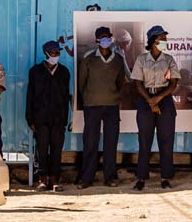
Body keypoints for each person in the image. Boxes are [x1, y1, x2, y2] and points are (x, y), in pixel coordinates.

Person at [130, 25, 180, 191]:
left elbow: (173, 83)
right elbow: (137, 83)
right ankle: (141, 178)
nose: (165, 41)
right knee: (144, 141)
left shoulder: (169, 59)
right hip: (145, 100)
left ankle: (165, 177)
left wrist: (157, 99)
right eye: (162, 38)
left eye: (165, 38)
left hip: (164, 99)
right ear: (153, 41)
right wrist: (150, 101)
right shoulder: (142, 59)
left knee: (166, 141)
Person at [77, 26, 127, 189]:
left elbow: (121, 82)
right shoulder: (89, 58)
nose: (105, 41)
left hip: (112, 106)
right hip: (92, 106)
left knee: (111, 143)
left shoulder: (118, 59)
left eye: (108, 37)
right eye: (102, 38)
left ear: (111, 39)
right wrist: (88, 99)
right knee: (90, 142)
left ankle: (110, 177)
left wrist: (115, 97)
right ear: (97, 40)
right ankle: (87, 178)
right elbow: (82, 83)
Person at [26, 41, 71, 192]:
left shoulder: (64, 72)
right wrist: (30, 118)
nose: (56, 56)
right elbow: (30, 96)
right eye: (53, 53)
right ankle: (43, 179)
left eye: (58, 53)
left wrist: (66, 118)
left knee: (57, 149)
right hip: (41, 118)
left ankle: (55, 179)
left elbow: (66, 97)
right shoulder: (35, 71)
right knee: (42, 149)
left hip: (58, 118)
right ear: (46, 54)